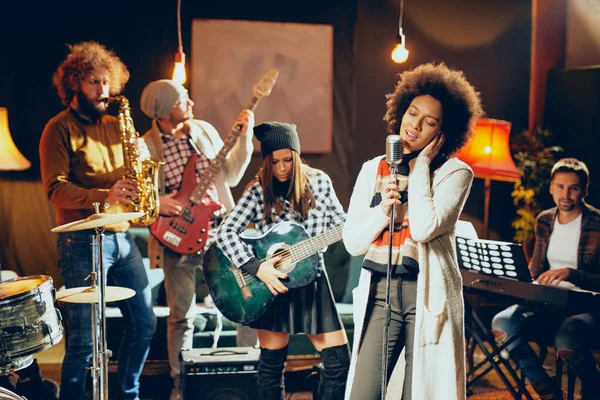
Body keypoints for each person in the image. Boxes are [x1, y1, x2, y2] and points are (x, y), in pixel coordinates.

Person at [343, 62, 484, 400]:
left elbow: (423, 228)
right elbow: (352, 242)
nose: (415, 125)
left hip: (428, 293)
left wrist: (420, 168)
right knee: (364, 392)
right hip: (381, 292)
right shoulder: (373, 169)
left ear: (444, 131)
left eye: (430, 121)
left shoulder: (456, 173)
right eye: (412, 112)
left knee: (418, 392)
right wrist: (382, 211)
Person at [39, 41, 157, 400]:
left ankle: (128, 393)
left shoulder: (115, 124)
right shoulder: (58, 128)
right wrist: (104, 195)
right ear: (74, 83)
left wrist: (142, 156)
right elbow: (55, 189)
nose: (103, 90)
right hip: (82, 243)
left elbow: (131, 178)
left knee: (145, 324)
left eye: (107, 82)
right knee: (85, 338)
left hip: (122, 237)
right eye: (94, 82)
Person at [215, 122, 350, 400]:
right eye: (273, 161)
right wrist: (256, 268)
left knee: (339, 363)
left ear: (297, 155)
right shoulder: (257, 190)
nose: (281, 168)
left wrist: (374, 220)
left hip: (313, 280)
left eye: (288, 159)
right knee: (272, 366)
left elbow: (345, 224)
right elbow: (225, 233)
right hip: (272, 286)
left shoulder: (320, 182)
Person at [139, 79, 255, 399]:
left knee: (246, 301)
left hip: (221, 231)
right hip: (176, 239)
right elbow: (137, 197)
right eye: (182, 99)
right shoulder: (144, 147)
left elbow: (230, 175)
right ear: (164, 111)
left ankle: (250, 372)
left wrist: (244, 138)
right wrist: (157, 202)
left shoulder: (203, 130)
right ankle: (181, 382)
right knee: (181, 315)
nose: (190, 102)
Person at [491, 158, 600, 400]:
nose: (566, 194)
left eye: (573, 187)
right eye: (560, 186)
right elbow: (535, 269)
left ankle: (594, 389)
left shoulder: (596, 223)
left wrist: (573, 274)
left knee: (567, 339)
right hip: (546, 303)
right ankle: (547, 390)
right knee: (503, 324)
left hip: (586, 308)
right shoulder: (545, 220)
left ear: (585, 190)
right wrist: (517, 279)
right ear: (551, 187)